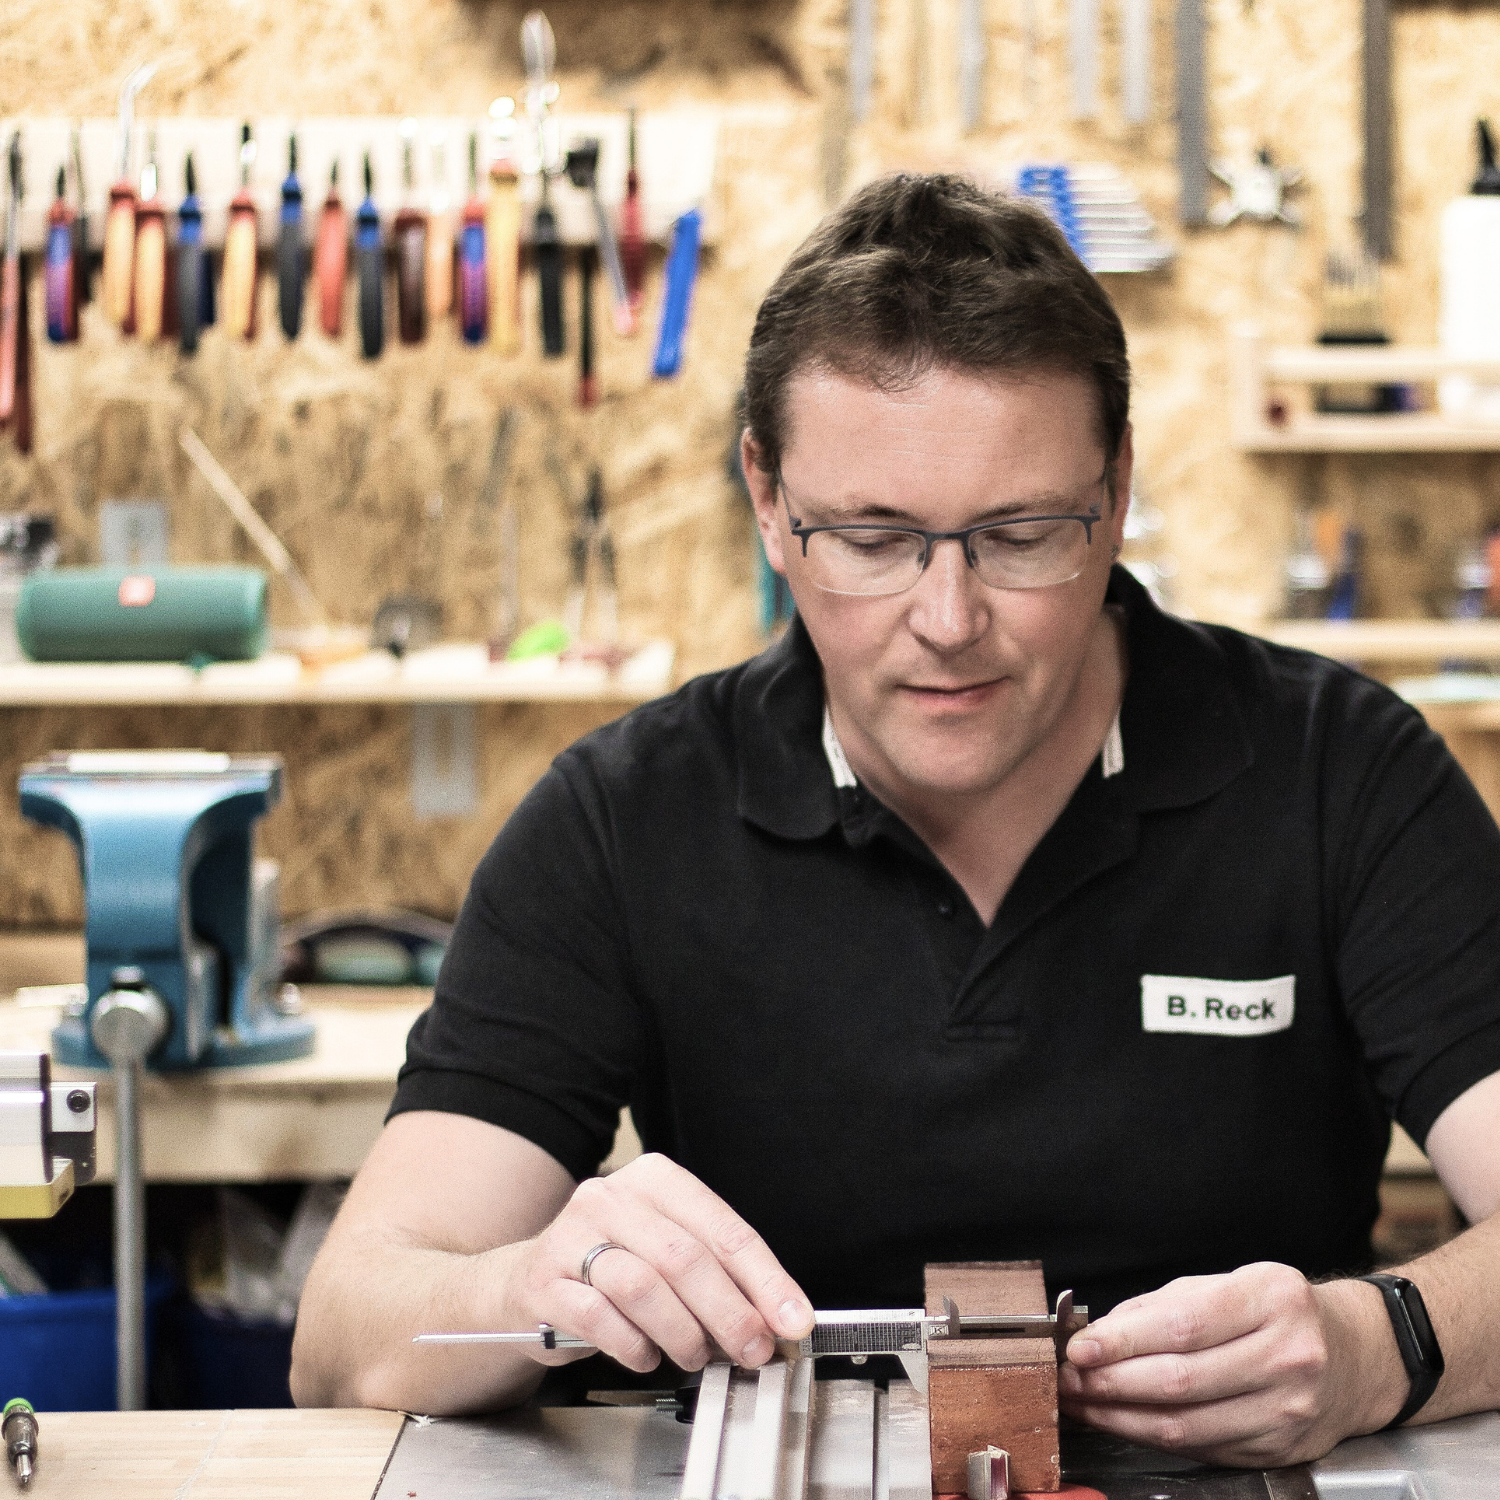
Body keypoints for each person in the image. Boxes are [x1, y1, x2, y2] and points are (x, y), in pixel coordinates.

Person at [291, 174, 1500, 1468]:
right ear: (767, 500)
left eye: (1021, 534)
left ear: (1115, 492)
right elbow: (346, 1333)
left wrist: (1378, 1346)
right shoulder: (624, 821)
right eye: (871, 540)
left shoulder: (1339, 775)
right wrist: (532, 1285)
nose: (948, 619)